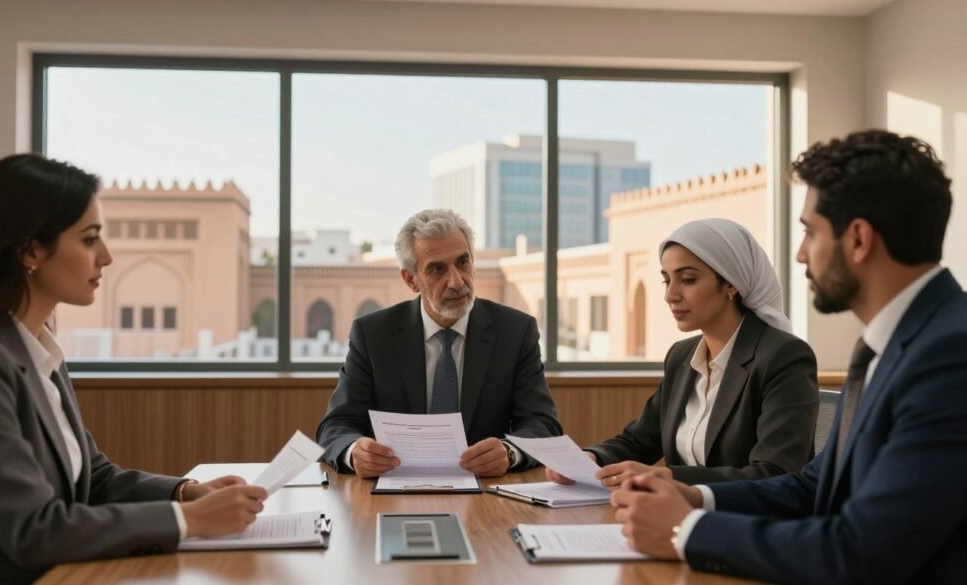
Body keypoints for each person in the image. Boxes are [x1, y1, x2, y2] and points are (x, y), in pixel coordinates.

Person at [611, 130, 967, 584]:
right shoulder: (891, 343)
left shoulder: (949, 355)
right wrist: (695, 497)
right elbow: (813, 486)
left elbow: (860, 551)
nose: (800, 255)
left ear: (858, 240)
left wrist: (685, 529)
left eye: (810, 231)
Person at [0, 154, 268, 584]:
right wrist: (188, 519)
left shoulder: (37, 350)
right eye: (89, 239)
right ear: (30, 249)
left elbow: (93, 478)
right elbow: (33, 530)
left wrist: (186, 492)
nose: (107, 257)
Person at [547, 218, 818, 488]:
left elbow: (775, 473)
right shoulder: (681, 356)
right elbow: (640, 440)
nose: (671, 295)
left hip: (746, 524)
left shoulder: (783, 357)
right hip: (677, 517)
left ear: (731, 283)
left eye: (687, 279)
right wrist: (591, 458)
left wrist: (667, 477)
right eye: (667, 280)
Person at [316, 209, 562, 478]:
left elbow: (543, 424)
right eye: (437, 269)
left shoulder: (515, 331)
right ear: (411, 280)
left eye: (463, 262)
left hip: (488, 493)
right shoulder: (374, 335)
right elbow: (336, 426)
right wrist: (355, 452)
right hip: (394, 490)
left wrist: (510, 452)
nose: (457, 282)